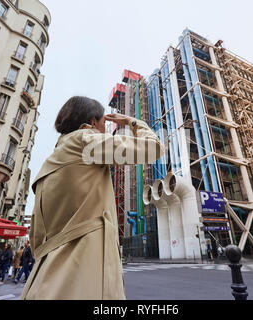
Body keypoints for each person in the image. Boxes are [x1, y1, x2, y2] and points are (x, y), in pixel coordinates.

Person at [19, 96, 164, 300]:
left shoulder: (50, 162)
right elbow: (153, 148)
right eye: (105, 123)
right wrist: (131, 122)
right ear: (92, 123)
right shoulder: (86, 141)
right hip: (87, 277)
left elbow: (36, 235)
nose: (106, 129)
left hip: (45, 280)